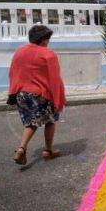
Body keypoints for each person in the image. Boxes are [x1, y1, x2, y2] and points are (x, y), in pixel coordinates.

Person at [8, 25, 65, 165]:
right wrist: (59, 100)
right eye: (48, 38)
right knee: (50, 120)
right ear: (44, 39)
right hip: (40, 95)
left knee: (31, 123)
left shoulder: (19, 52)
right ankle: (47, 150)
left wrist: (12, 92)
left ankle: (21, 148)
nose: (49, 41)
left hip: (21, 94)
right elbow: (55, 78)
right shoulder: (48, 54)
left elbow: (12, 73)